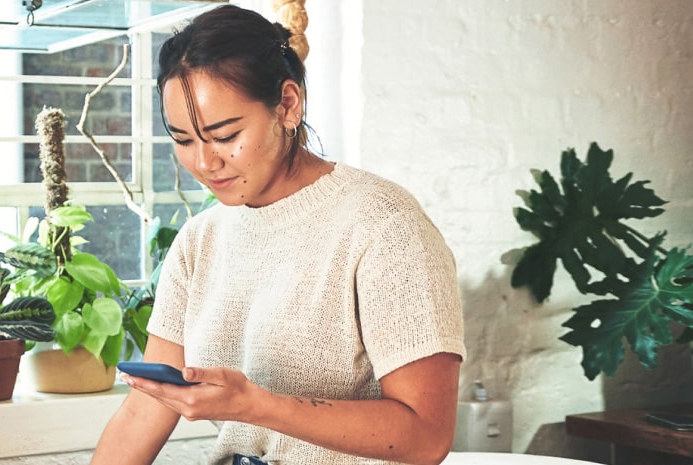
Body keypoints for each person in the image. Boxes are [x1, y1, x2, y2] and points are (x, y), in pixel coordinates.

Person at [90, 5, 464, 465]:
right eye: (183, 140)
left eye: (225, 135)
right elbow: (146, 406)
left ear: (287, 104)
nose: (204, 163)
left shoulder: (384, 224)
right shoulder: (198, 239)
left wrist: (256, 405)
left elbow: (426, 437)